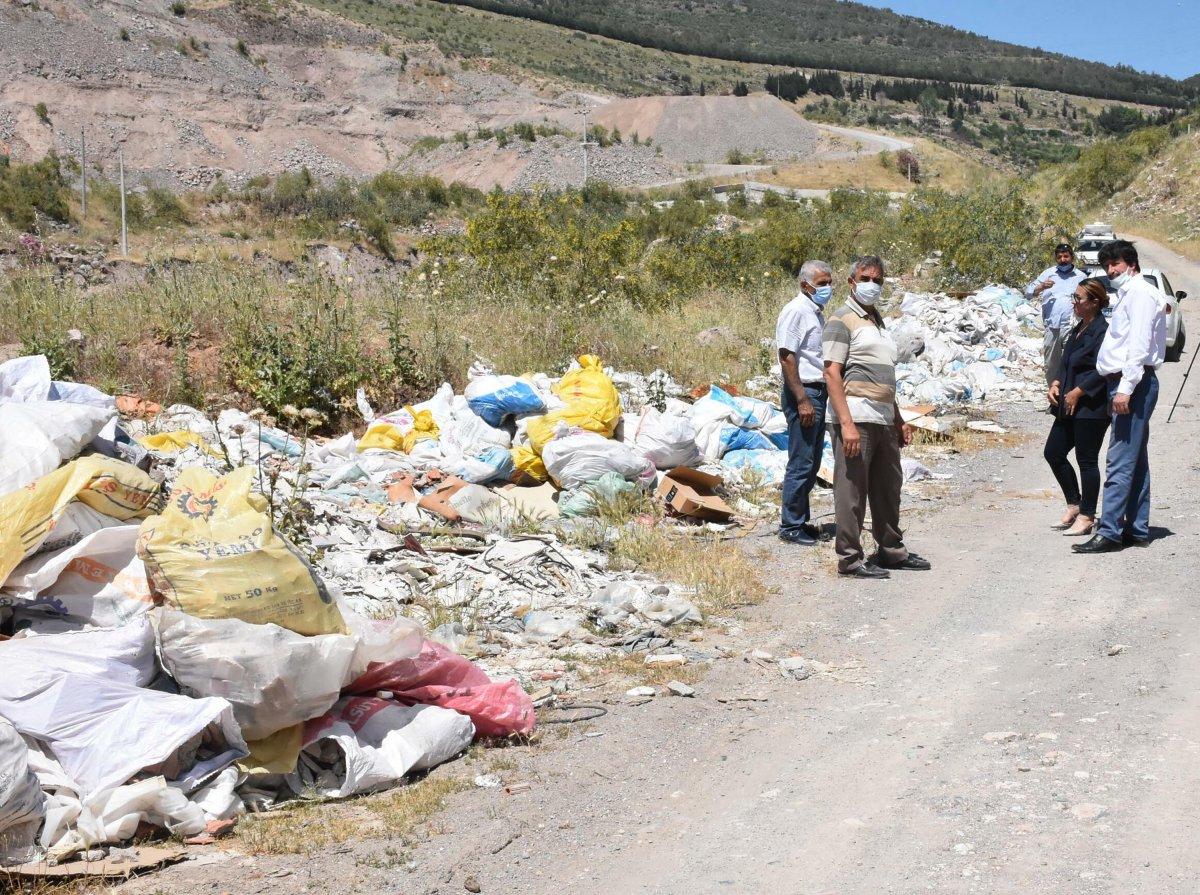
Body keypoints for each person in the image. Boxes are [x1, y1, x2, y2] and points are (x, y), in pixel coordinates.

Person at [822, 256, 930, 579]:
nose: (872, 284)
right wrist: (846, 424)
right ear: (852, 281)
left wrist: (897, 419)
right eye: (865, 277)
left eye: (878, 279)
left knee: (888, 486)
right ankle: (850, 559)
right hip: (855, 417)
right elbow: (831, 373)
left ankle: (891, 550)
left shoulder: (878, 322)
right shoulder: (841, 320)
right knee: (852, 489)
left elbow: (884, 376)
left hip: (882, 418)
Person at [1075, 240, 1166, 554]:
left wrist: (1125, 389)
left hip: (1132, 384)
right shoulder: (1129, 294)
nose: (1111, 271)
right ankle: (1137, 529)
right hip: (1130, 382)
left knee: (1118, 461)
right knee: (1135, 460)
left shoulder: (1140, 294)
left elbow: (1138, 349)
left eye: (1116, 265)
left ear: (1132, 264)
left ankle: (1110, 532)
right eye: (1107, 266)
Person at [1044, 278, 1110, 537]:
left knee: (1086, 460)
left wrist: (1079, 391)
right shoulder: (1079, 327)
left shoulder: (1103, 332)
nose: (1074, 302)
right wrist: (1057, 382)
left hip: (1091, 406)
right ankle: (1074, 503)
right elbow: (1066, 360)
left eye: (1079, 298)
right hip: (1068, 404)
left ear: (1094, 302)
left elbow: (1103, 369)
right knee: (1054, 452)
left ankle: (1087, 515)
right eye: (1074, 297)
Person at [776, 260, 834, 545]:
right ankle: (790, 526)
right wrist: (801, 399)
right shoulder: (796, 311)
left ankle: (800, 518)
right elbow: (787, 357)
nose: (827, 288)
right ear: (805, 285)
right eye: (821, 284)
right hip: (804, 392)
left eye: (828, 283)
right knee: (801, 459)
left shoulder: (815, 312)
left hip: (817, 391)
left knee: (812, 460)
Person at [1026, 244, 1087, 386]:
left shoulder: (1080, 276)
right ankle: (1054, 399)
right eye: (1059, 257)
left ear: (1072, 257)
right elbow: (1028, 292)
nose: (1063, 259)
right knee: (1051, 365)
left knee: (1073, 361)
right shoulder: (1048, 273)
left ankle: (1069, 396)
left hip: (1072, 326)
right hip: (1052, 327)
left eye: (1066, 256)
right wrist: (1042, 287)